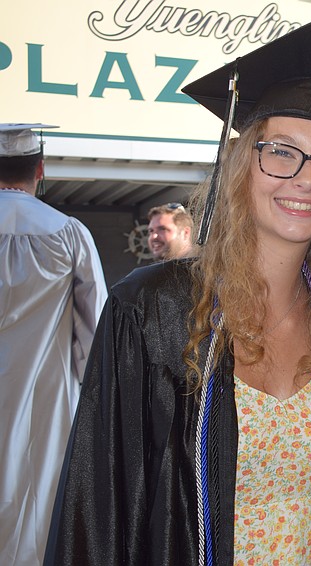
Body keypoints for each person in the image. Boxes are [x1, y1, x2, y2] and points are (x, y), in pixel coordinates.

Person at [47, 20, 311, 565]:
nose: (305, 179)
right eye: (281, 151)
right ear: (241, 163)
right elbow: (99, 503)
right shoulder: (154, 310)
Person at [0, 123, 107, 565]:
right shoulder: (67, 233)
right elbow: (96, 331)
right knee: (38, 520)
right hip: (44, 404)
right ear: (40, 169)